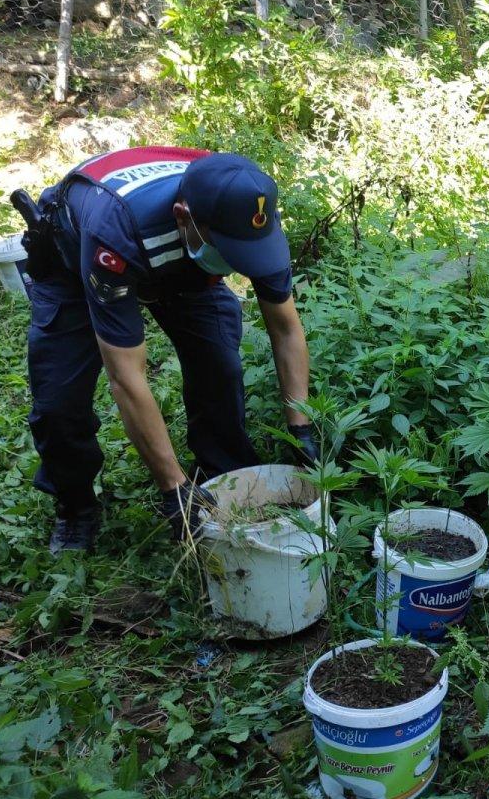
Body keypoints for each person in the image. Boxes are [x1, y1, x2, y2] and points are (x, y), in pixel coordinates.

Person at [20, 148, 320, 554]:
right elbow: (126, 377)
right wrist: (173, 489)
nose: (238, 264)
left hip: (183, 266)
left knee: (220, 366)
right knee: (59, 401)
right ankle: (76, 507)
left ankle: (223, 475)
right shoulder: (118, 231)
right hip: (77, 262)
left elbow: (285, 328)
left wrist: (301, 426)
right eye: (229, 253)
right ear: (183, 216)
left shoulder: (250, 216)